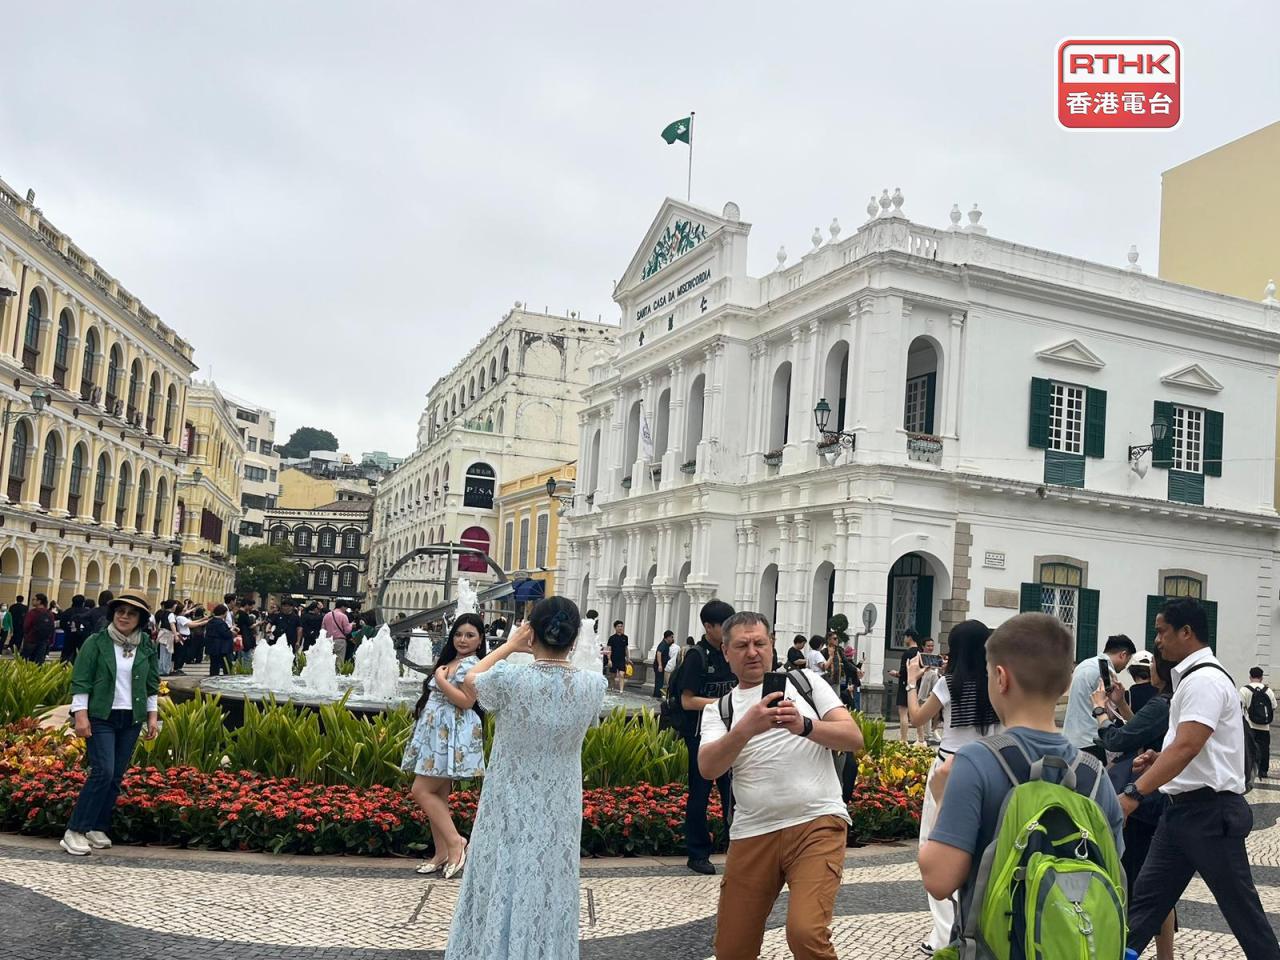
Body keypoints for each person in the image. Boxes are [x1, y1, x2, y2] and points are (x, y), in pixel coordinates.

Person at [918, 613, 1125, 955]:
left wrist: (940, 798)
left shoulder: (975, 764)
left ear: (1000, 678)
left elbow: (939, 881)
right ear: (1065, 684)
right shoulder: (1093, 774)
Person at [445, 597, 606, 960]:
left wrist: (509, 645)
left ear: (531, 633)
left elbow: (469, 680)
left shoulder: (509, 678)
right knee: (549, 882)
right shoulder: (593, 686)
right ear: (575, 638)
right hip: (559, 804)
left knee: (500, 873)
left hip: (507, 799)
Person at [699, 612, 862, 960]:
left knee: (805, 934)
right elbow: (708, 766)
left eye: (760, 643)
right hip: (753, 833)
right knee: (732, 949)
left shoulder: (806, 683)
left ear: (772, 645)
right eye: (742, 645)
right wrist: (746, 728)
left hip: (816, 823)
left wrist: (804, 726)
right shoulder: (721, 710)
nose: (753, 652)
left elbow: (853, 737)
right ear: (726, 652)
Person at [1123, 598, 1280, 958]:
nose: (1157, 641)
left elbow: (1188, 747)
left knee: (1244, 914)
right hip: (1181, 814)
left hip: (1209, 815)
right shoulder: (1195, 679)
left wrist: (1134, 793)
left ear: (1186, 632)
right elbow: (1190, 747)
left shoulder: (1204, 679)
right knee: (1144, 906)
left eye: (1162, 631)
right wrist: (1158, 759)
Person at [905, 620, 1002, 955]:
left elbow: (918, 719)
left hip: (949, 768)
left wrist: (911, 682)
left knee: (937, 846)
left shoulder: (950, 683)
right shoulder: (998, 683)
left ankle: (945, 935)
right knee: (983, 850)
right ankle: (980, 929)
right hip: (989, 768)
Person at [1092, 648, 1177, 960]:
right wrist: (1123, 706)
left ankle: (1123, 949)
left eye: (1154, 661)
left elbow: (1116, 740)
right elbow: (1140, 730)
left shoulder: (1162, 703)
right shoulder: (1175, 700)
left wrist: (1100, 710)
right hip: (1163, 797)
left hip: (1145, 800)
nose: (1150, 666)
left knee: (1136, 881)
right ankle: (1164, 955)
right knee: (1159, 887)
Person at [60, 593, 160, 856]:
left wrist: (152, 716)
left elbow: (152, 683)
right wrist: (80, 715)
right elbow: (81, 679)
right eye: (120, 611)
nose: (124, 616)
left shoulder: (146, 645)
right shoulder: (97, 642)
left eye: (131, 613)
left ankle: (96, 826)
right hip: (101, 715)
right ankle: (75, 830)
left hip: (131, 716)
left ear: (140, 619)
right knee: (102, 771)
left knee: (115, 775)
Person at [403, 612, 486, 878]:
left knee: (421, 790)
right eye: (459, 634)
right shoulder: (452, 660)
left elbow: (466, 701)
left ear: (480, 639)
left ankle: (455, 843)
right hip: (435, 733)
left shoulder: (473, 665)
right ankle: (440, 853)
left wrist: (439, 681)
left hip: (448, 734)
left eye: (470, 635)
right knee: (437, 795)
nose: (463, 639)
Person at [676, 599, 738, 875]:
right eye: (723, 627)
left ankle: (737, 847)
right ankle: (697, 853)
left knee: (733, 793)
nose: (728, 631)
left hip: (730, 734)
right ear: (708, 627)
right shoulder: (696, 657)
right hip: (700, 736)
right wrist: (720, 703)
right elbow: (687, 701)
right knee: (700, 794)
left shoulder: (729, 653)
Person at [1063, 633, 1136, 760]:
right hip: (1091, 741)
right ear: (1123, 655)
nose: (1125, 667)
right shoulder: (1106, 672)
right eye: (1127, 661)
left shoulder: (1084, 665)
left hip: (1071, 737)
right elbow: (1109, 714)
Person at [1241, 666, 1276, 781]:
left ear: (1250, 676)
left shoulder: (1244, 690)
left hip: (1250, 726)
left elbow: (1240, 707)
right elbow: (1274, 706)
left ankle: (1248, 769)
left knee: (1249, 748)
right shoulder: (1268, 691)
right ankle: (1263, 771)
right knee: (1265, 748)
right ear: (1262, 677)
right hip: (1265, 727)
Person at [888, 630, 920, 743]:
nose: (904, 639)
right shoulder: (920, 652)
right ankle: (920, 738)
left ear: (909, 637)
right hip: (917, 684)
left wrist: (895, 673)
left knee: (903, 712)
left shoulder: (907, 654)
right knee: (917, 712)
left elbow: (903, 672)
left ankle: (904, 739)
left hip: (905, 684)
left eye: (905, 637)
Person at [916, 638, 940, 743]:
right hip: (923, 685)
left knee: (936, 708)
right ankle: (925, 734)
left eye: (932, 646)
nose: (930, 648)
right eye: (928, 646)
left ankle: (933, 730)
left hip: (934, 682)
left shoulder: (936, 659)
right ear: (923, 646)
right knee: (923, 705)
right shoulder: (919, 657)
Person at [21, 593, 56, 665]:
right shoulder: (50, 613)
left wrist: (27, 635)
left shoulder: (33, 612)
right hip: (44, 641)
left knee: (25, 662)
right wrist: (51, 640)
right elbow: (52, 627)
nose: (32, 601)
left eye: (34, 599)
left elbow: (26, 626)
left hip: (31, 639)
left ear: (39, 601)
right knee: (39, 662)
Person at [204, 605, 235, 677]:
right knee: (226, 665)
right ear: (224, 613)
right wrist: (231, 631)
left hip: (212, 647)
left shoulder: (210, 621)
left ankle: (213, 678)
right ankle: (227, 678)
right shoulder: (220, 623)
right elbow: (226, 634)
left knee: (214, 665)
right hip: (221, 648)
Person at [58, 595, 88, 664]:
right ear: (83, 603)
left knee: (66, 655)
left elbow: (62, 624)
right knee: (82, 655)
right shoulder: (86, 612)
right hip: (83, 637)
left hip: (69, 637)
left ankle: (64, 668)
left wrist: (68, 629)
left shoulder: (67, 612)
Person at [154, 600, 176, 675]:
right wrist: (175, 634)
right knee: (167, 652)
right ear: (172, 606)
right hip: (167, 634)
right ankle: (165, 670)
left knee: (161, 652)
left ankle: (161, 669)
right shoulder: (171, 615)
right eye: (175, 605)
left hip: (161, 633)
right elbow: (172, 624)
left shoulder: (162, 613)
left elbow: (157, 624)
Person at [607, 620, 629, 693]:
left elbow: (626, 648)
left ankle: (621, 690)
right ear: (615, 628)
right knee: (612, 675)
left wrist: (628, 658)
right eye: (618, 626)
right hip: (613, 659)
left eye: (621, 626)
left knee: (622, 674)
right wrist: (609, 660)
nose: (620, 628)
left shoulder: (625, 637)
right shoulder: (612, 638)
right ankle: (612, 688)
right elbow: (609, 649)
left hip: (621, 659)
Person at [236, 598, 260, 666]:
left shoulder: (238, 613)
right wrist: (258, 624)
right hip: (245, 637)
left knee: (240, 656)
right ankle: (246, 672)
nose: (252, 607)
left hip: (239, 637)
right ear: (246, 605)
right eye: (251, 605)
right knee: (247, 658)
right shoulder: (244, 614)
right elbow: (250, 626)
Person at [653, 629, 675, 698]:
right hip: (659, 665)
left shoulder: (666, 645)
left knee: (660, 681)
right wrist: (660, 665)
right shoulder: (663, 644)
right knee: (659, 681)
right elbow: (659, 653)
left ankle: (657, 694)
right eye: (671, 637)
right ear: (667, 637)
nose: (672, 639)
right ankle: (657, 695)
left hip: (662, 665)